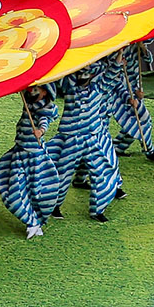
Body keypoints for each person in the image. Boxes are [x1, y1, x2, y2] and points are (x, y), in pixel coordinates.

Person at [49, 67, 121, 223]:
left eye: (87, 73)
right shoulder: (70, 87)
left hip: (91, 137)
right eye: (80, 73)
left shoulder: (99, 87)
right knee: (63, 172)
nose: (83, 76)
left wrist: (119, 57)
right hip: (71, 138)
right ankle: (53, 206)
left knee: (102, 170)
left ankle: (98, 209)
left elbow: (111, 74)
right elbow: (62, 73)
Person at [0, 84, 65, 239]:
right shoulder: (28, 103)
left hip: (35, 156)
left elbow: (44, 121)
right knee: (13, 189)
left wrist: (41, 131)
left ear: (45, 92)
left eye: (36, 89)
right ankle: (31, 220)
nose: (31, 92)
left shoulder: (45, 109)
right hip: (19, 152)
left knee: (38, 190)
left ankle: (36, 220)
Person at [111, 41, 154, 162]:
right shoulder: (116, 46)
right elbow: (113, 74)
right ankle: (149, 150)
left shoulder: (137, 44)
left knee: (134, 122)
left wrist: (143, 47)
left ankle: (118, 147)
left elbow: (149, 59)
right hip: (121, 92)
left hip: (135, 89)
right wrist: (128, 98)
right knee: (144, 119)